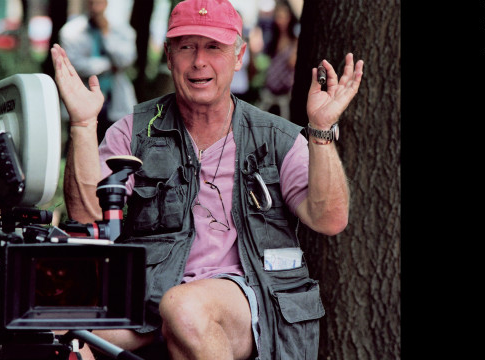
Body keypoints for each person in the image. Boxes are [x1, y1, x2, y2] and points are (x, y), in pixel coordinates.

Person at [50, 0, 364, 358]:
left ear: (239, 55)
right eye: (187, 47)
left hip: (248, 301)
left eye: (214, 47)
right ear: (169, 56)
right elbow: (88, 214)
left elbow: (330, 219)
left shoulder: (276, 136)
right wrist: (82, 124)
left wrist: (321, 131)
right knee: (57, 331)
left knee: (184, 308)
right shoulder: (135, 130)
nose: (199, 61)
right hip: (149, 303)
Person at [58, 0, 138, 143]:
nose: (95, 6)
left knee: (113, 150)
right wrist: (108, 65)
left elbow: (125, 60)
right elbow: (74, 65)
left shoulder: (122, 29)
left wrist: (106, 34)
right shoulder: (71, 31)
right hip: (83, 99)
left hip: (114, 101)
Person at [256, 1, 299, 118]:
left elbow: (292, 62)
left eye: (284, 17)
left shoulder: (294, 41)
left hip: (285, 92)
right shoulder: (273, 38)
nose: (280, 21)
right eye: (278, 17)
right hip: (269, 89)